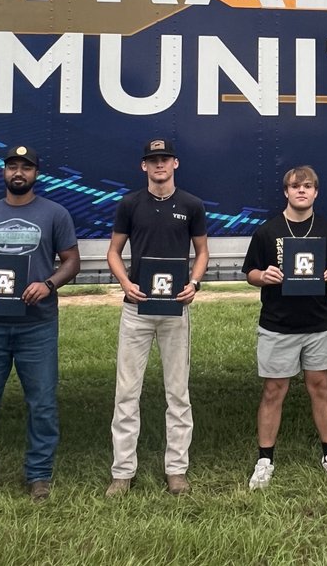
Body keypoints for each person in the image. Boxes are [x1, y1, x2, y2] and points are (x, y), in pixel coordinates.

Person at [0, 144, 81, 505]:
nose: (18, 173)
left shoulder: (55, 214)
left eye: (26, 167)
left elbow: (71, 262)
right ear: (3, 172)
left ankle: (39, 476)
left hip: (37, 325)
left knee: (42, 404)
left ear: (36, 173)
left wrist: (48, 284)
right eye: (12, 167)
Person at [105, 138, 209, 496]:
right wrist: (125, 282)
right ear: (144, 166)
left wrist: (194, 283)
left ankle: (176, 469)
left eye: (165, 159)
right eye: (153, 160)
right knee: (126, 392)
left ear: (175, 163)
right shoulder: (130, 204)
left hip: (174, 308)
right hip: (136, 308)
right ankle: (122, 472)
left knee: (177, 392)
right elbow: (114, 252)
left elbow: (202, 252)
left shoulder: (192, 204)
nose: (159, 165)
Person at [242, 165, 327, 490]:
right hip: (278, 324)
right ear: (286, 192)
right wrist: (263, 277)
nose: (301, 191)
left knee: (320, 387)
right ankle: (265, 460)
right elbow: (250, 273)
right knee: (273, 390)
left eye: (307, 186)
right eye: (295, 186)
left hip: (319, 323)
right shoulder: (267, 231)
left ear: (316, 192)